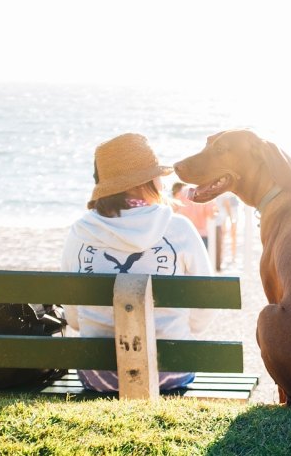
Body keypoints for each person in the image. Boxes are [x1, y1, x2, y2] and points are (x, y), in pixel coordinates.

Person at [61, 133, 214, 392]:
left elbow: (74, 319)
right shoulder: (178, 228)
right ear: (149, 181)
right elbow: (205, 305)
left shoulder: (80, 231)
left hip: (99, 374)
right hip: (171, 369)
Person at [172, 182, 216, 249]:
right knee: (201, 259)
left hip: (185, 234)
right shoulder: (206, 192)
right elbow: (211, 215)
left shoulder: (183, 191)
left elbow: (174, 209)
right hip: (201, 235)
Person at [214, 192, 239, 270]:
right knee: (228, 234)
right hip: (225, 203)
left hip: (228, 203)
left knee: (229, 234)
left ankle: (230, 256)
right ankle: (230, 256)